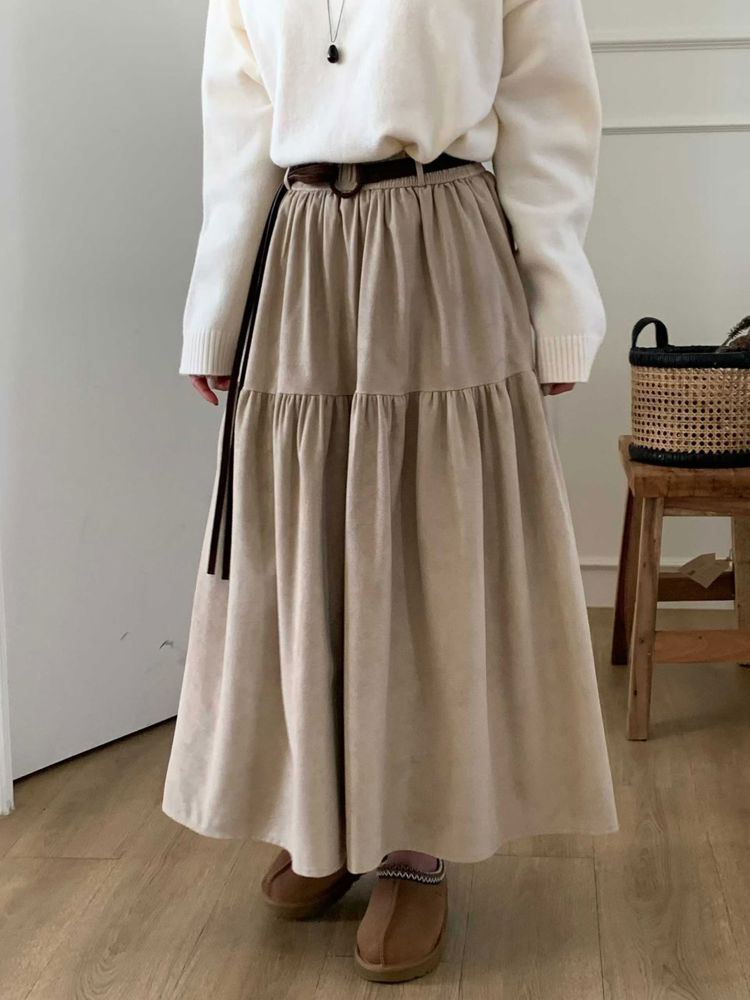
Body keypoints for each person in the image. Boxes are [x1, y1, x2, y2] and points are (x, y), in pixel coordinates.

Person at [162, 0, 619, 983]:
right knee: (303, 552)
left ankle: (415, 838)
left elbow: (549, 105)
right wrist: (217, 306)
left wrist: (558, 300)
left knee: (426, 552)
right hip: (301, 255)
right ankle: (324, 820)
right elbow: (237, 123)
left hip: (440, 244)